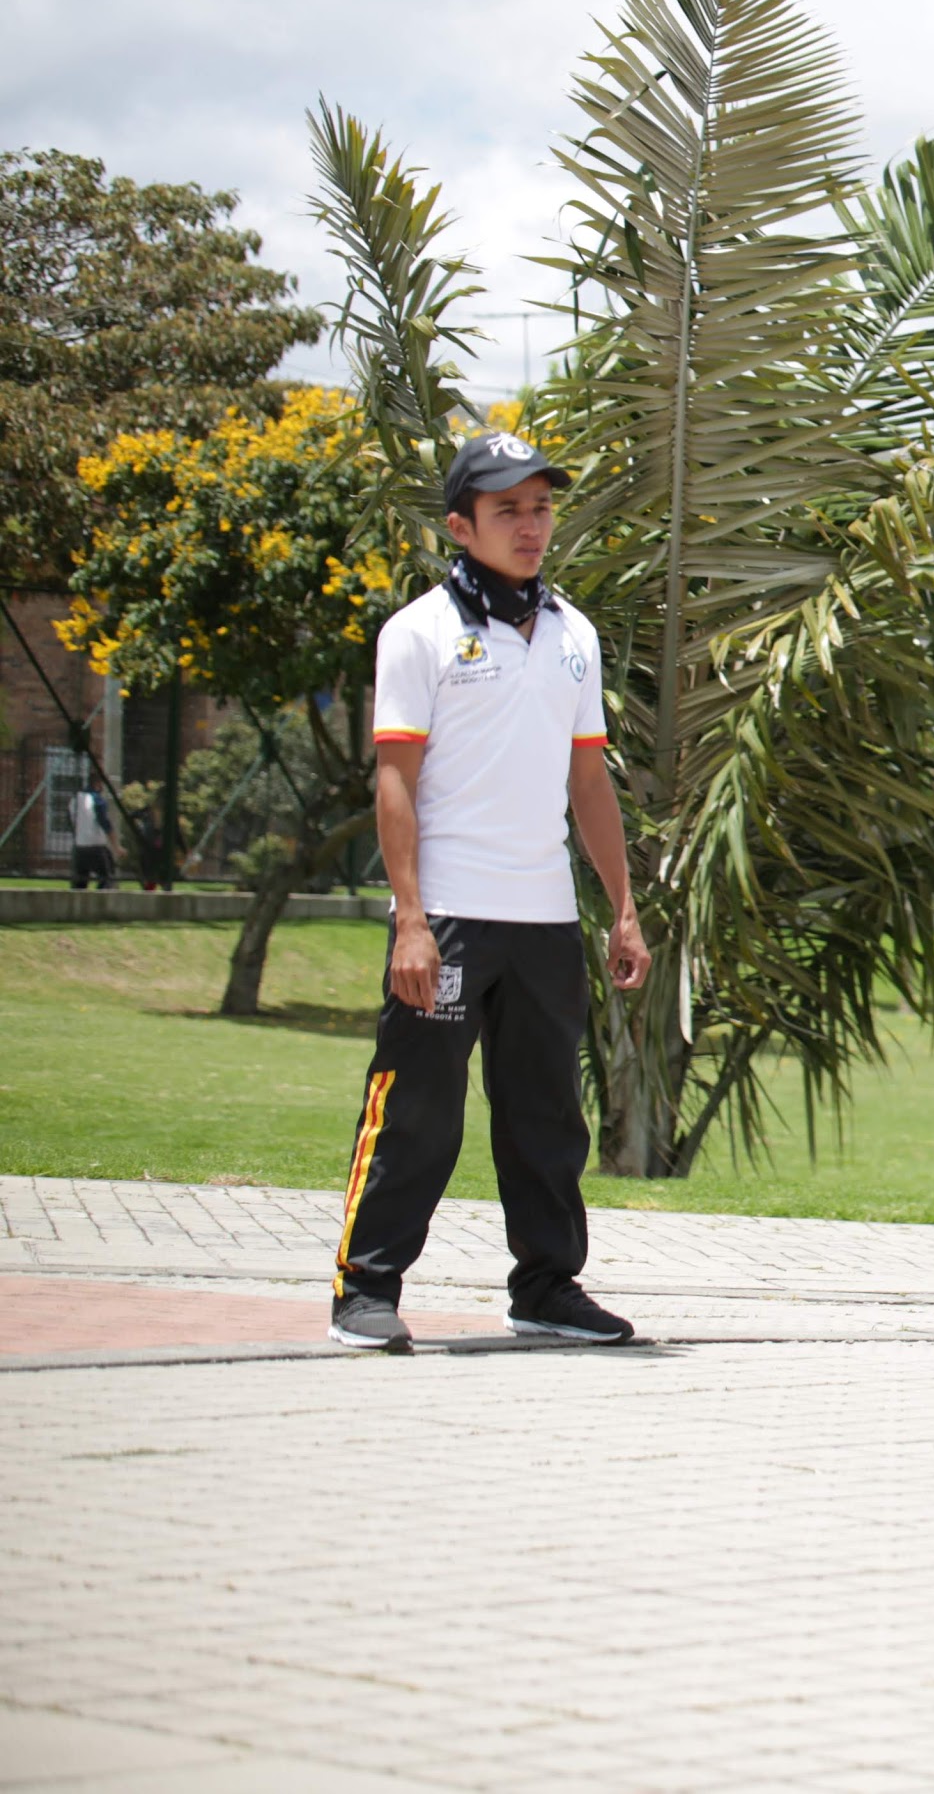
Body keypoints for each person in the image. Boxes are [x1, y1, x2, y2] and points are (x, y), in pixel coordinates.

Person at [331, 431, 653, 1354]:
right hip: (452, 918)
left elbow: (588, 783)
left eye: (542, 506)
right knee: (418, 1109)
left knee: (548, 1117)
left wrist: (621, 906)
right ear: (460, 525)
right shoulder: (419, 633)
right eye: (508, 508)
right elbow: (395, 781)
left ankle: (547, 1287)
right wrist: (411, 921)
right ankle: (367, 1288)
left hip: (546, 919)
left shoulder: (574, 636)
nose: (530, 524)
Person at [67, 783, 115, 889]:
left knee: (79, 881)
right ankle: (103, 899)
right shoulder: (96, 799)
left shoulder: (74, 800)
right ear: (98, 785)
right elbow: (105, 823)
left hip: (79, 846)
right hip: (96, 846)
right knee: (106, 877)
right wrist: (116, 846)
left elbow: (71, 823)